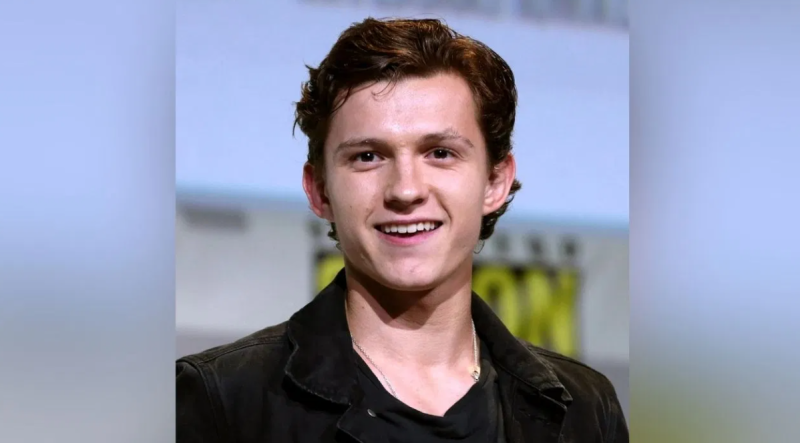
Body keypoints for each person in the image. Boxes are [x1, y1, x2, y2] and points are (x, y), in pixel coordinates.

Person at [177, 17, 628, 443]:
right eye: (368, 157)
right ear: (320, 190)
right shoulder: (222, 400)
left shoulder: (585, 410)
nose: (406, 190)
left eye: (440, 153)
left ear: (495, 182)